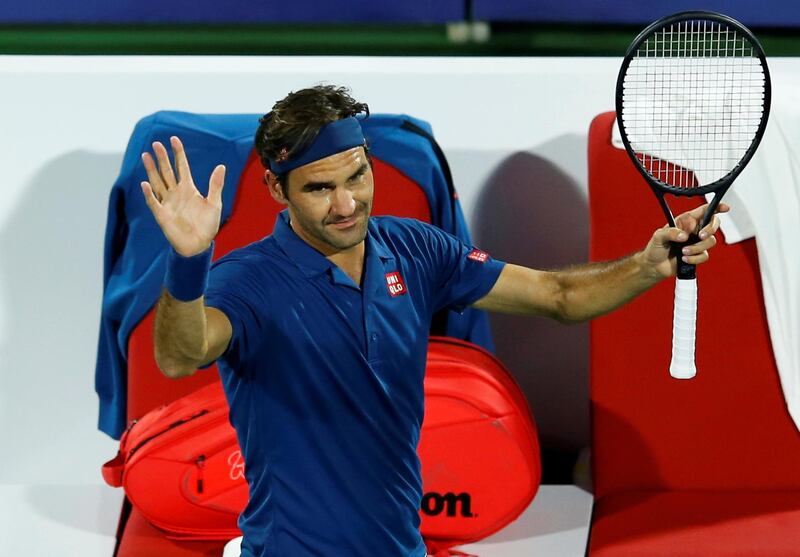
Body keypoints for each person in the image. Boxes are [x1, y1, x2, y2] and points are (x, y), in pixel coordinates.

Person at [139, 85, 726, 557]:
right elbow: (179, 355)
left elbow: (558, 295)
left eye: (357, 177)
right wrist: (189, 261)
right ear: (277, 189)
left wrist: (651, 265)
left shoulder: (417, 249)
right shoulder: (247, 279)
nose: (346, 205)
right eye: (319, 188)